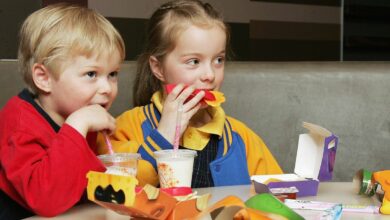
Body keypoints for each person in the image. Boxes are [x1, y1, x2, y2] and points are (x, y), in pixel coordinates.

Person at [98, 0, 282, 188]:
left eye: (218, 60)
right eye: (193, 61)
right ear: (158, 68)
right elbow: (116, 195)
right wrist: (163, 136)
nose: (210, 75)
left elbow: (280, 197)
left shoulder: (241, 137)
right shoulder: (124, 129)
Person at [0, 3, 125, 218]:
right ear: (44, 78)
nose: (107, 88)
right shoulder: (21, 122)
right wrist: (77, 125)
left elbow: (86, 189)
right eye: (91, 74)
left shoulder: (82, 113)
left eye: (112, 74)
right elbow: (46, 201)